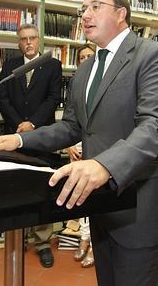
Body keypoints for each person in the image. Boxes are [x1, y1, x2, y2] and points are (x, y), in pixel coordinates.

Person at [0, 0, 158, 286]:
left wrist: (105, 165)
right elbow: (73, 127)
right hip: (99, 204)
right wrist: (21, 140)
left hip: (138, 205)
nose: (85, 15)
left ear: (121, 13)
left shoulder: (153, 56)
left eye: (95, 6)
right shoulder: (85, 68)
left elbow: (156, 126)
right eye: (83, 9)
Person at [0, 23, 62, 268]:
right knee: (16, 187)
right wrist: (19, 123)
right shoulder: (10, 66)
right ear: (18, 43)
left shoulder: (52, 64)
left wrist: (32, 123)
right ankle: (18, 237)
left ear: (39, 39)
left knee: (43, 188)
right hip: (13, 135)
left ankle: (43, 242)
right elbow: (2, 97)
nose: (29, 43)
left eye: (32, 38)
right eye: (24, 39)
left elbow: (53, 98)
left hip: (43, 135)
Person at [67, 44, 96, 268]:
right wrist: (69, 147)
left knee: (96, 200)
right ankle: (84, 238)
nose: (85, 59)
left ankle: (94, 244)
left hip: (98, 152)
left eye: (89, 55)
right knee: (82, 199)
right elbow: (70, 122)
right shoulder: (76, 82)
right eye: (81, 57)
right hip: (77, 148)